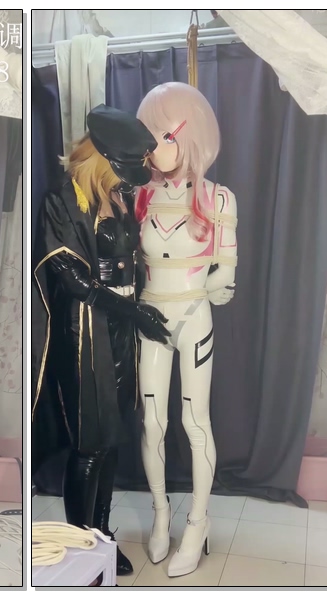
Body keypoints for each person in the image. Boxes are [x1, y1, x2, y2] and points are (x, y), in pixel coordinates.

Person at [31, 104, 170, 578]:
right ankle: (81, 545)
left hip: (120, 330)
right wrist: (134, 311)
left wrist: (139, 309)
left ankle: (102, 537)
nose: (127, 180)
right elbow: (72, 279)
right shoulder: (62, 201)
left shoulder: (119, 197)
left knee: (110, 441)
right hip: (85, 332)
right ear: (101, 160)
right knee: (90, 443)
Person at [135, 82, 238, 578]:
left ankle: (197, 523)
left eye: (166, 136)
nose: (156, 148)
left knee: (195, 422)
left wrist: (210, 287)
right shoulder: (140, 197)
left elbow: (225, 276)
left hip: (193, 317)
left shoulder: (219, 199)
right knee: (152, 422)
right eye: (150, 136)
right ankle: (161, 513)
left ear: (189, 136)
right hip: (150, 315)